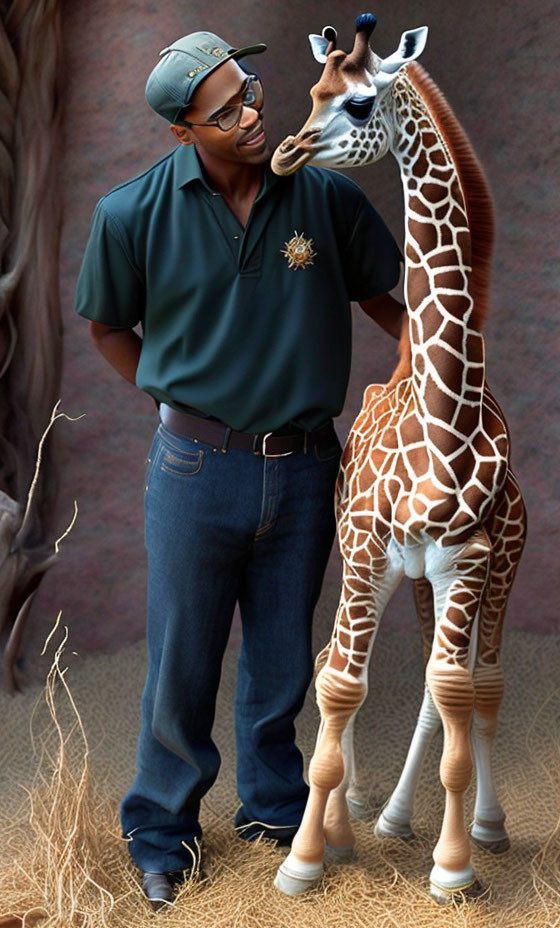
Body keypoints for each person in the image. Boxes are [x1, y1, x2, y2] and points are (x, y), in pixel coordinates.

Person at [75, 30, 404, 908]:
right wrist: (169, 402)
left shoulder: (324, 199)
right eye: (226, 114)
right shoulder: (129, 215)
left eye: (251, 92)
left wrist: (436, 376)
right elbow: (108, 327)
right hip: (193, 470)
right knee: (182, 660)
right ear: (184, 132)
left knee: (282, 659)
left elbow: (388, 303)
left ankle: (273, 811)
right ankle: (161, 830)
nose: (253, 116)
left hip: (305, 471)